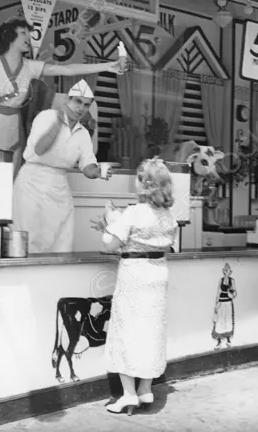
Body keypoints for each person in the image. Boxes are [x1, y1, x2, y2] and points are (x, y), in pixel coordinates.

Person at [0, 18, 122, 175]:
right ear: (8, 35)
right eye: (23, 32)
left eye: (28, 33)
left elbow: (67, 69)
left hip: (11, 134)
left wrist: (106, 67)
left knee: (6, 189)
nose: (28, 37)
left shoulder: (29, 66)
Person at [93, 158, 178, 414]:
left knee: (127, 330)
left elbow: (109, 244)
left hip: (134, 274)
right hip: (158, 273)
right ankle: (146, 389)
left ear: (144, 182)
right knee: (151, 330)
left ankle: (128, 394)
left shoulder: (132, 213)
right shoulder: (168, 216)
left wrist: (108, 222)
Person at [14, 79, 109, 253]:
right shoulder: (46, 117)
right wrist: (58, 123)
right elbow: (40, 149)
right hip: (32, 181)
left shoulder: (83, 134)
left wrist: (100, 172)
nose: (81, 108)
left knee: (62, 236)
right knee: (31, 236)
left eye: (86, 105)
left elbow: (87, 166)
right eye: (78, 102)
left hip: (59, 184)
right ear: (67, 100)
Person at [212, 263, 237, 348]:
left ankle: (228, 340)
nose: (227, 272)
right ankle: (219, 341)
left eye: (228, 270)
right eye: (225, 270)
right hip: (221, 302)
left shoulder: (232, 281)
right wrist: (216, 304)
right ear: (223, 271)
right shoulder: (221, 280)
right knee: (219, 320)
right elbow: (218, 292)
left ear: (230, 272)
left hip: (228, 302)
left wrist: (232, 293)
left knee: (228, 320)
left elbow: (235, 293)